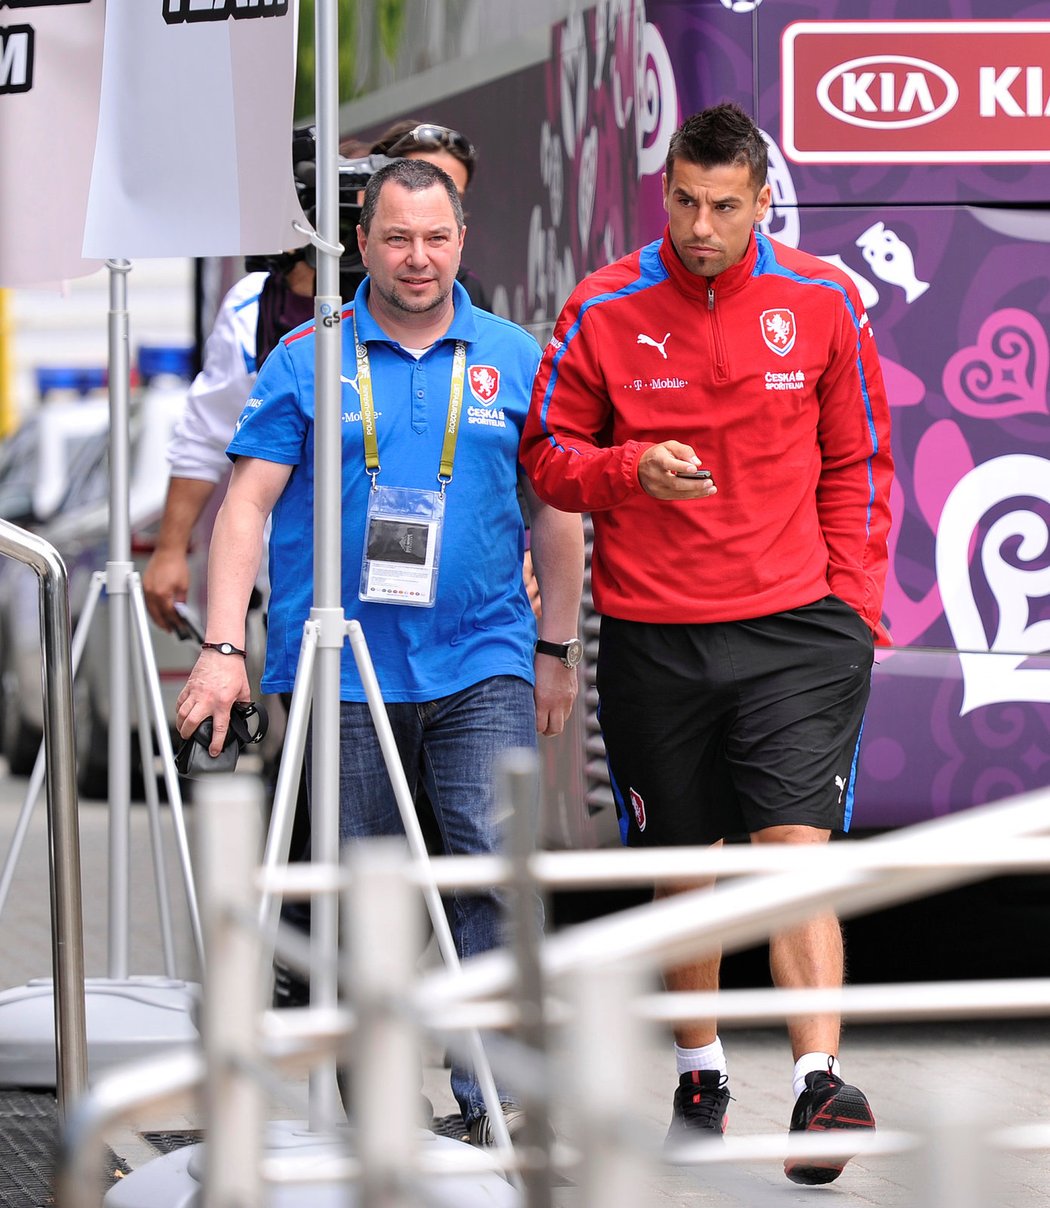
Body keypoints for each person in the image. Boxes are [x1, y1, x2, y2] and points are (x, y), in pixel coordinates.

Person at [520, 101, 893, 1185]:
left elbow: (860, 461)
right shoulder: (602, 306)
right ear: (666, 192)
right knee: (688, 872)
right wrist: (630, 470)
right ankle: (703, 1071)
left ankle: (820, 1085)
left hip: (797, 634)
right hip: (654, 636)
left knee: (791, 861)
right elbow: (547, 454)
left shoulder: (823, 299)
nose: (699, 226)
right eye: (683, 201)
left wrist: (854, 611)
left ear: (761, 201)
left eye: (724, 206)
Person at [175, 157, 585, 1145]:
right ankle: (366, 1095)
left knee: (490, 867)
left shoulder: (513, 354)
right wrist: (223, 645)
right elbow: (245, 509)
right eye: (397, 237)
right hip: (339, 661)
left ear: (463, 237)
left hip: (480, 653)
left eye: (435, 237)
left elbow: (558, 511)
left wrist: (557, 645)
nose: (417, 258)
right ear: (361, 243)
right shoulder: (307, 358)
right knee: (358, 884)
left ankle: (497, 1093)